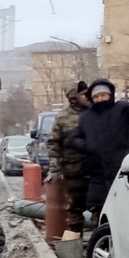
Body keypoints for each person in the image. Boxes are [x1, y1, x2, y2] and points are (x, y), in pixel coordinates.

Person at [75, 78, 129, 215]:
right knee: (99, 212)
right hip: (97, 171)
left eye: (103, 95)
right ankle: (102, 235)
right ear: (92, 99)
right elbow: (75, 137)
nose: (100, 99)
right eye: (96, 96)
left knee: (123, 209)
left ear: (110, 95)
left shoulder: (120, 108)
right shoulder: (86, 117)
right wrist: (87, 147)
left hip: (120, 166)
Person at [46, 81, 92, 237]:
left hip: (95, 170)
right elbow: (53, 143)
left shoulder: (95, 113)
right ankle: (76, 248)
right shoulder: (63, 117)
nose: (87, 96)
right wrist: (55, 167)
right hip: (73, 171)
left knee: (99, 207)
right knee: (74, 211)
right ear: (74, 96)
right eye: (83, 93)